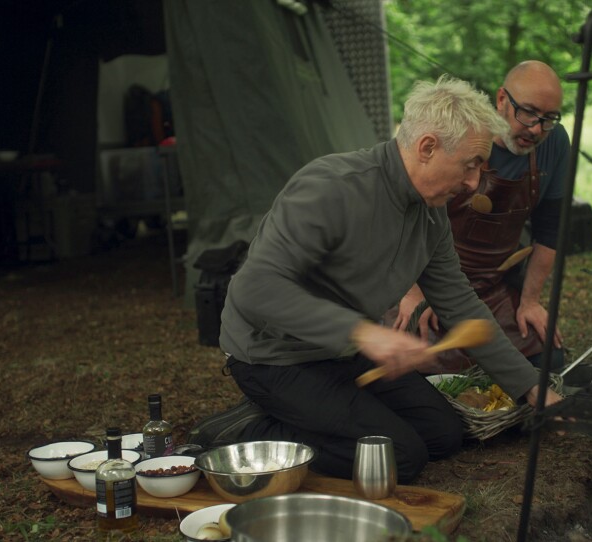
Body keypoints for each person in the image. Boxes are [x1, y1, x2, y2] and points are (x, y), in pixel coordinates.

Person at [187, 74, 563, 484]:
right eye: (470, 165)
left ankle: (309, 417)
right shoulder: (332, 187)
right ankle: (245, 432)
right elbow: (254, 290)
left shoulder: (430, 212)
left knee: (444, 435)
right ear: (427, 147)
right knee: (399, 457)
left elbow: (460, 303)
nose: (474, 183)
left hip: (343, 354)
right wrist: (365, 334)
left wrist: (530, 387)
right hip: (275, 357)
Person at [389, 60, 570, 373]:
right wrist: (414, 291)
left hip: (493, 286)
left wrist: (530, 301)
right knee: (415, 365)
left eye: (549, 118)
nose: (536, 128)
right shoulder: (465, 133)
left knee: (547, 361)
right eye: (527, 112)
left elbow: (551, 230)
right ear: (502, 99)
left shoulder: (553, 143)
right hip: (428, 279)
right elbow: (410, 211)